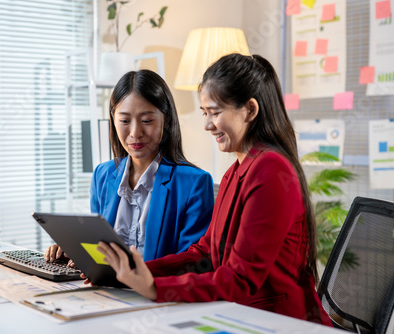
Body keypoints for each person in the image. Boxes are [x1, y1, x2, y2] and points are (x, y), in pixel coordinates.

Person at [96, 54, 333, 326]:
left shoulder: (270, 170)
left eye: (215, 112)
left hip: (278, 322)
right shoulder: (237, 171)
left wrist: (154, 288)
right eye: (204, 113)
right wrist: (135, 272)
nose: (208, 125)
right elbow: (204, 252)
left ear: (250, 110)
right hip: (240, 315)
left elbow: (239, 280)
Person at [45, 69, 214, 263]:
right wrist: (76, 251)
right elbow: (98, 248)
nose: (135, 132)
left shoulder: (194, 182)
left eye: (147, 121)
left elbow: (192, 261)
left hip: (156, 291)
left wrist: (134, 275)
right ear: (113, 120)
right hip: (104, 289)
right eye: (125, 120)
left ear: (166, 120)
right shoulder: (103, 174)